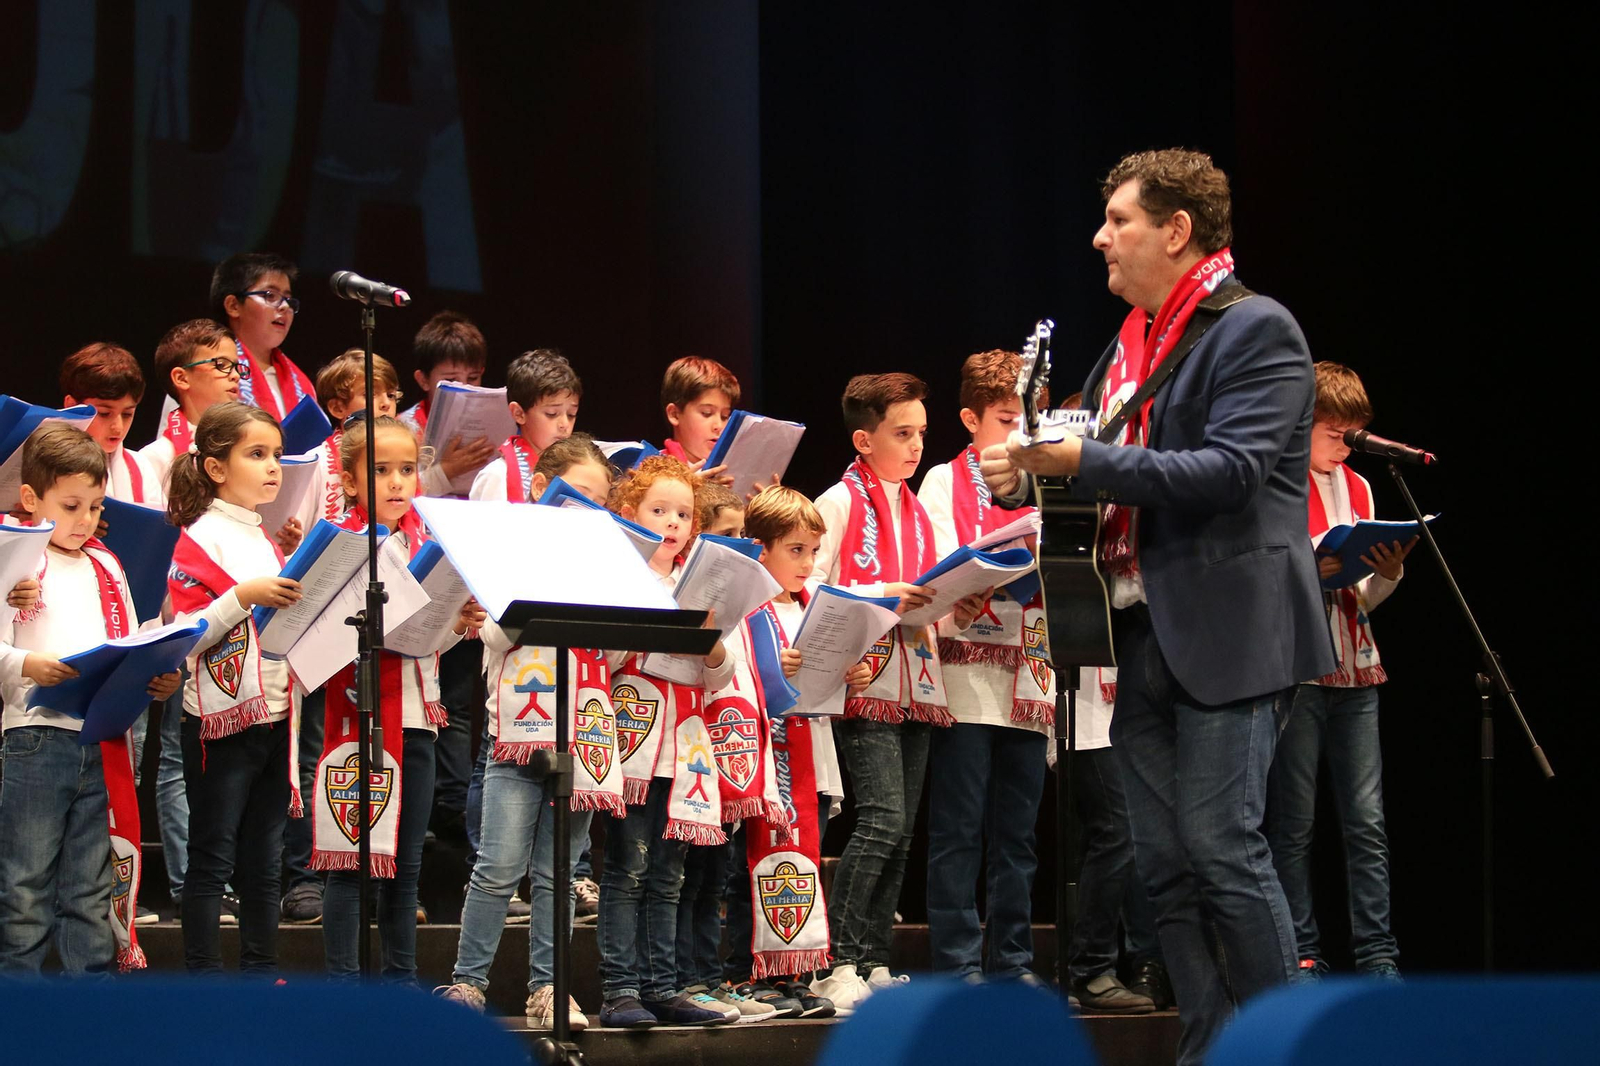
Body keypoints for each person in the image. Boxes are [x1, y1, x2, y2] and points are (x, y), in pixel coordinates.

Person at [980, 148, 1334, 1065]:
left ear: (1177, 231)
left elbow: (1231, 472)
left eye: (1119, 221)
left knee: (1222, 849)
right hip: (1141, 629)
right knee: (1167, 867)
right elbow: (1093, 457)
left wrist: (1082, 461)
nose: (1100, 238)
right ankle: (1209, 1050)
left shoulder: (1255, 328)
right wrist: (1025, 475)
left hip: (1231, 628)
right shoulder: (1132, 342)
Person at [438, 434, 625, 1028]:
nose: (588, 509)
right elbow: (494, 636)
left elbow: (616, 655)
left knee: (558, 873)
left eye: (599, 501)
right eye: (578, 495)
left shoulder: (608, 564)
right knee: (497, 866)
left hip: (585, 737)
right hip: (518, 738)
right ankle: (468, 984)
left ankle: (549, 988)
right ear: (543, 488)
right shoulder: (510, 554)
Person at [0, 425, 181, 976]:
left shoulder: (107, 563)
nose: (85, 520)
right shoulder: (15, 557)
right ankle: (20, 1006)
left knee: (90, 887)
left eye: (96, 507)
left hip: (100, 740)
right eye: (71, 506)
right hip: (34, 739)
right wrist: (27, 663)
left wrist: (156, 673)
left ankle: (91, 1006)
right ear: (31, 498)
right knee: (25, 885)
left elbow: (128, 640)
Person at [315, 415, 484, 983]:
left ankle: (401, 983)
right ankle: (343, 985)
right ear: (350, 480)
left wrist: (458, 621)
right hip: (359, 718)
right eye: (381, 470)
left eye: (407, 469)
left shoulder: (426, 544)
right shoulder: (342, 544)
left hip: (417, 718)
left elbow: (427, 639)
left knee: (405, 866)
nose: (396, 482)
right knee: (351, 864)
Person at [1266, 362, 1415, 983]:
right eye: (1335, 432)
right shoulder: (1277, 481)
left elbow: (1363, 596)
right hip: (1299, 670)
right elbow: (1262, 578)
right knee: (1294, 823)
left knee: (1367, 821)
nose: (1344, 445)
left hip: (1357, 669)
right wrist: (1310, 572)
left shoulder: (1359, 487)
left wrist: (1389, 572)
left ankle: (1378, 955)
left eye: (1353, 434)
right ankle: (1301, 952)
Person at [808, 372, 948, 1013]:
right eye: (902, 433)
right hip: (864, 679)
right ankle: (835, 961)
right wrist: (882, 594)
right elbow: (806, 582)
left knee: (903, 830)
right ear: (864, 440)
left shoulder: (917, 510)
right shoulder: (839, 500)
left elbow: (928, 589)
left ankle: (874, 958)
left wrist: (954, 601)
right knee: (881, 819)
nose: (917, 445)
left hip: (917, 676)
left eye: (921, 432)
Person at [918, 350, 1055, 987]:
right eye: (1005, 419)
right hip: (963, 673)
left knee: (1018, 834)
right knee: (959, 827)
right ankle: (956, 964)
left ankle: (1013, 962)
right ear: (971, 420)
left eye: (1028, 418)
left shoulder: (1050, 479)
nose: (1019, 432)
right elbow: (938, 564)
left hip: (1028, 672)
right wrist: (967, 584)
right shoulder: (942, 481)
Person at [597, 455, 736, 1028]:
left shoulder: (695, 586)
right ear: (630, 514)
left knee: (668, 877)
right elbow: (603, 661)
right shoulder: (618, 579)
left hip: (684, 752)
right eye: (658, 510)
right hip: (633, 743)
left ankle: (661, 987)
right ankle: (619, 990)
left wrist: (710, 643)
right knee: (627, 869)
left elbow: (721, 674)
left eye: (682, 514)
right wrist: (639, 630)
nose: (672, 522)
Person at [166, 402, 305, 975]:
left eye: (276, 455)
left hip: (275, 716)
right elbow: (185, 636)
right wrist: (243, 596)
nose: (273, 466)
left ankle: (259, 978)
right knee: (212, 858)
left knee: (264, 863)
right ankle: (204, 980)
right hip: (219, 724)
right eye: (257, 454)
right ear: (216, 468)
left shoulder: (260, 534)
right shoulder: (200, 537)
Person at [721, 485, 867, 1019]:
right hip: (760, 764)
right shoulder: (747, 609)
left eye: (813, 551)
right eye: (795, 550)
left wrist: (850, 674)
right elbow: (730, 678)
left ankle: (793, 976)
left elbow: (827, 682)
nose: (808, 563)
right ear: (761, 550)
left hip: (812, 760)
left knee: (798, 869)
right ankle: (744, 973)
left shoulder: (817, 607)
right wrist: (770, 669)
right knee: (749, 872)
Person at [399, 311, 499, 498]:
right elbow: (399, 491)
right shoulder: (402, 428)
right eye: (451, 380)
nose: (464, 388)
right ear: (423, 380)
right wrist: (447, 470)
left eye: (473, 378)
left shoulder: (498, 419)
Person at [211, 252, 316, 423]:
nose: (284, 306)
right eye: (270, 295)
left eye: (288, 299)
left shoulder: (303, 385)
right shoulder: (208, 369)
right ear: (233, 306)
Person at [60, 343, 165, 508]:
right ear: (72, 406)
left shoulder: (140, 466)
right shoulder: (44, 463)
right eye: (104, 413)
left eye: (127, 414)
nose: (118, 427)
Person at [469, 349, 581, 502]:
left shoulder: (575, 474)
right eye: (552, 414)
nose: (565, 424)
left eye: (571, 415)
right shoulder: (497, 476)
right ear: (519, 414)